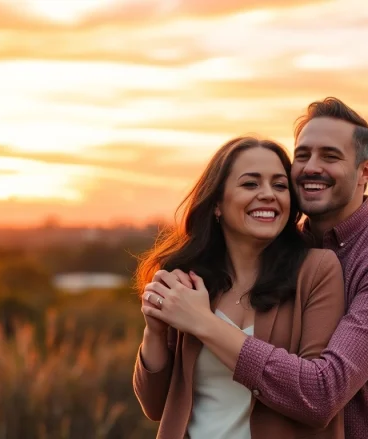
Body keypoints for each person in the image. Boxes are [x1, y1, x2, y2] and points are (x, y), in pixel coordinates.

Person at [157, 97, 368, 438]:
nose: (311, 167)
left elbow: (323, 392)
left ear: (365, 172)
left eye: (330, 156)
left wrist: (204, 323)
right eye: (302, 155)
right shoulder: (277, 256)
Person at [132, 137, 346, 439]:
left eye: (280, 186)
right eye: (250, 184)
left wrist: (203, 323)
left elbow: (315, 398)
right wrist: (153, 330)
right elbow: (156, 406)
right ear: (217, 204)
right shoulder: (189, 282)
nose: (268, 195)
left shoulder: (316, 270)